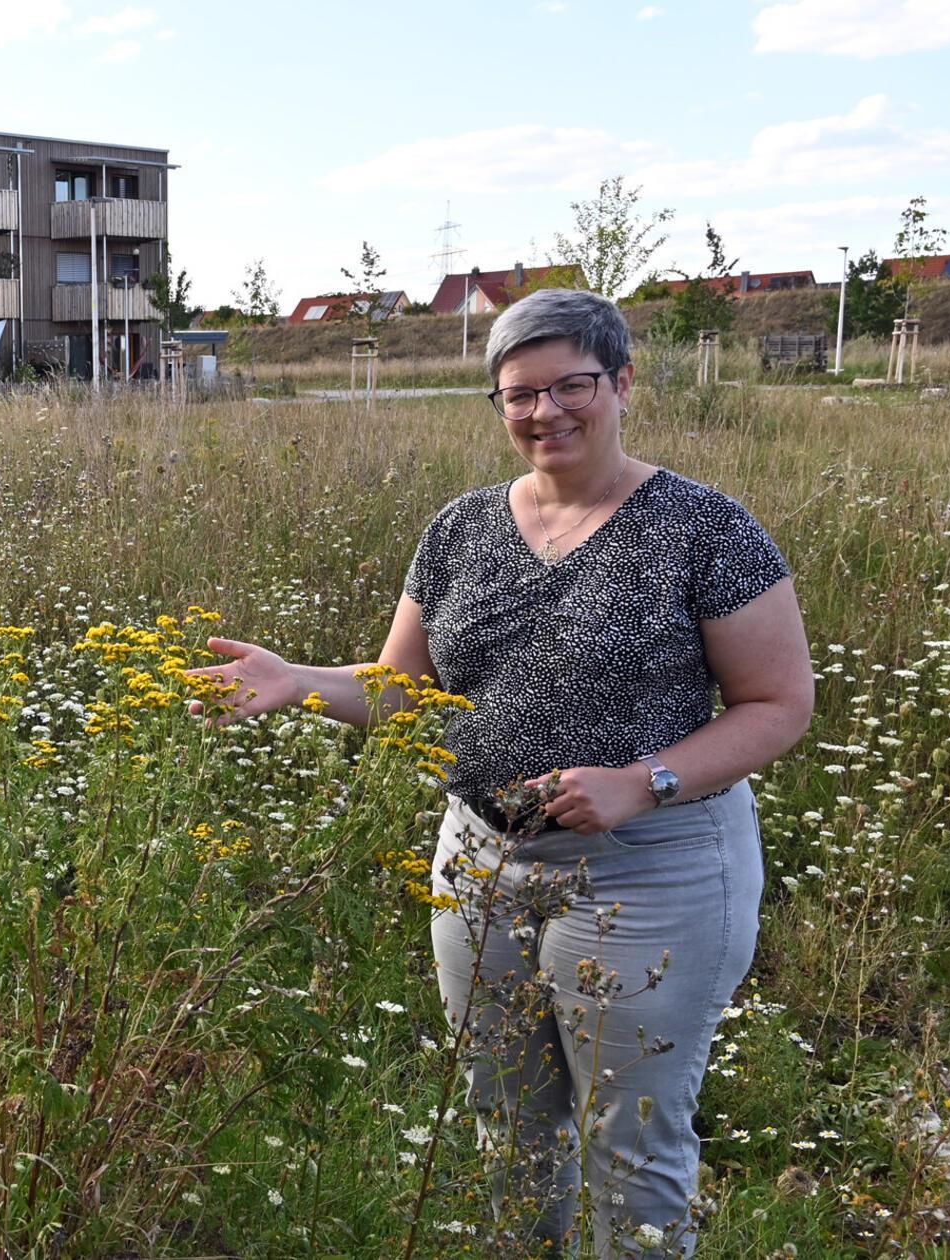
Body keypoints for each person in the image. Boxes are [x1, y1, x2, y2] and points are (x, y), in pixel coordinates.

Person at [186, 288, 813, 1255]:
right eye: (519, 394)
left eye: (573, 386)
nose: (546, 413)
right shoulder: (461, 530)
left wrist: (639, 781)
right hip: (481, 866)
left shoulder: (704, 529)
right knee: (508, 1129)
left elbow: (778, 707)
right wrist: (299, 680)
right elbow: (403, 693)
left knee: (633, 1146)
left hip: (651, 872)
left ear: (623, 384)